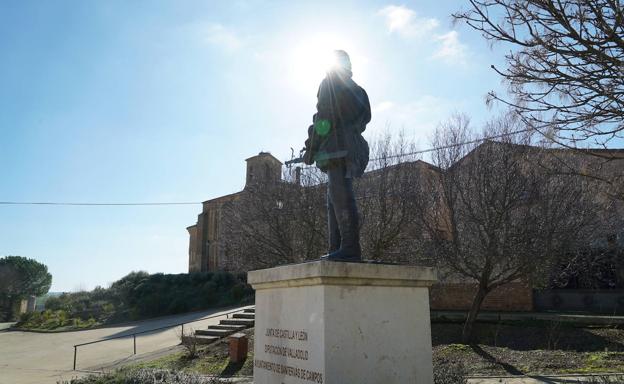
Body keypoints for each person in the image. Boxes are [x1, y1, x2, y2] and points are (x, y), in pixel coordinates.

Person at [303, 50, 371, 261]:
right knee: (335, 193)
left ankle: (349, 247)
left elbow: (324, 117)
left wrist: (311, 148)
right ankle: (337, 248)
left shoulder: (330, 83)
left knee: (339, 193)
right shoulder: (360, 91)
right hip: (354, 147)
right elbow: (364, 120)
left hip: (337, 146)